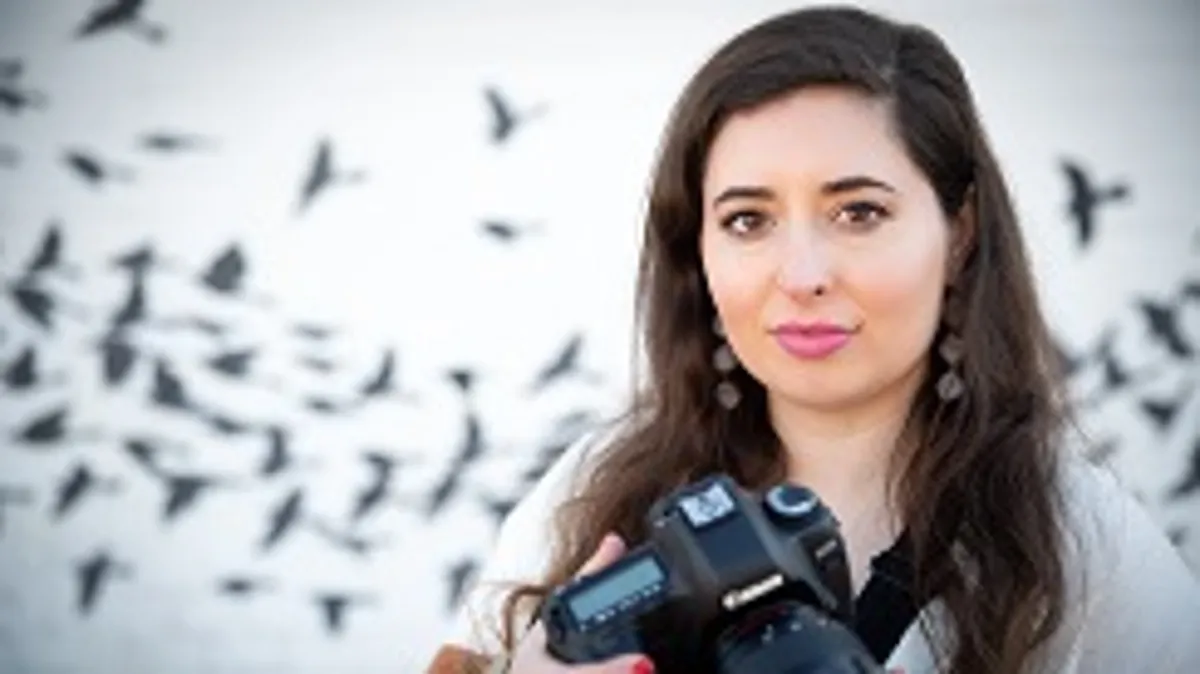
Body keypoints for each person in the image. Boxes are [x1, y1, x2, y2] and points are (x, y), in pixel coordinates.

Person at [426, 5, 1200, 673]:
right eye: (747, 220)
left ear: (959, 233)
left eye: (859, 213)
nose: (801, 275)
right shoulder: (593, 490)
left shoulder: (1079, 545)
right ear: (698, 249)